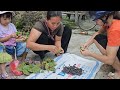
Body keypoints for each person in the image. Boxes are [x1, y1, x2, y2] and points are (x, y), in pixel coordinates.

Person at [80, 11, 120, 79]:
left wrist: (90, 54)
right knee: (97, 38)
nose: (95, 22)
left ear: (104, 17)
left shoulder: (115, 29)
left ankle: (118, 71)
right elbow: (98, 33)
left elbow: (110, 60)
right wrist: (86, 44)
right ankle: (115, 63)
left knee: (110, 58)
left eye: (96, 19)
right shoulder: (109, 21)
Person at [0, 11, 29, 79]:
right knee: (1, 50)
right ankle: (3, 72)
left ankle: (22, 61)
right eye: (5, 19)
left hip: (14, 47)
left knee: (27, 44)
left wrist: (21, 37)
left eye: (9, 18)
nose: (7, 21)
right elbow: (0, 40)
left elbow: (16, 37)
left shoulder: (12, 25)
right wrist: (10, 36)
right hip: (5, 48)